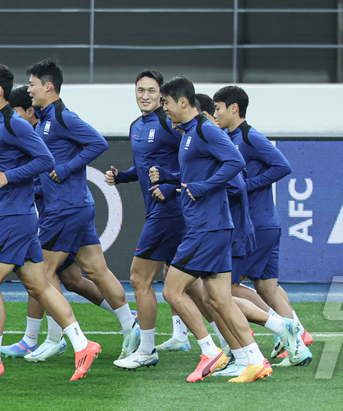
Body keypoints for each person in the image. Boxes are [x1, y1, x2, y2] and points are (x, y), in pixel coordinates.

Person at [0, 63, 101, 381]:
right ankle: (82, 343)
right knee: (40, 286)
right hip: (16, 216)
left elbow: (45, 160)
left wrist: (7, 177)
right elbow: (4, 164)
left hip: (12, 217)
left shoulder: (15, 123)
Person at [149, 76, 267, 383]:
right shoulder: (189, 132)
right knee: (218, 300)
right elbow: (195, 173)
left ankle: (209, 351)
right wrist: (171, 178)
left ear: (183, 102)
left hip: (207, 227)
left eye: (167, 102)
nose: (165, 108)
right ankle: (251, 359)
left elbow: (236, 162)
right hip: (209, 226)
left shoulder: (204, 129)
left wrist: (203, 187)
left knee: (173, 290)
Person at [27, 59, 138, 358]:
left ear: (48, 86)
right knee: (95, 270)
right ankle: (131, 328)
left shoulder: (63, 116)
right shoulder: (45, 118)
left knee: (41, 274)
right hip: (75, 206)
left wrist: (66, 168)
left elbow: (98, 143)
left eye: (32, 84)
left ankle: (56, 339)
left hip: (65, 209)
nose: (29, 90)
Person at [209, 85, 311, 372]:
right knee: (267, 287)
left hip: (256, 225)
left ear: (233, 109)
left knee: (226, 288)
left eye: (218, 108)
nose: (216, 114)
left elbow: (282, 166)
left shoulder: (250, 137)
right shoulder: (229, 138)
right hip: (265, 223)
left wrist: (246, 185)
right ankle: (298, 342)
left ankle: (285, 332)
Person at [0, 86, 97, 361]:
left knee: (41, 275)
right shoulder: (35, 130)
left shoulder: (49, 126)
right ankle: (128, 319)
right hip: (60, 210)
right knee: (77, 278)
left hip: (61, 211)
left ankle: (46, 339)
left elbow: (48, 165)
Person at [104, 69, 185, 369]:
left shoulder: (168, 122)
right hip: (160, 211)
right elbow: (144, 165)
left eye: (151, 91)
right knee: (193, 284)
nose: (145, 96)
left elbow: (194, 160)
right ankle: (230, 345)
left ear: (161, 94)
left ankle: (148, 349)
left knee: (139, 278)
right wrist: (122, 177)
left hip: (170, 211)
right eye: (141, 90)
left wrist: (169, 184)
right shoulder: (136, 126)